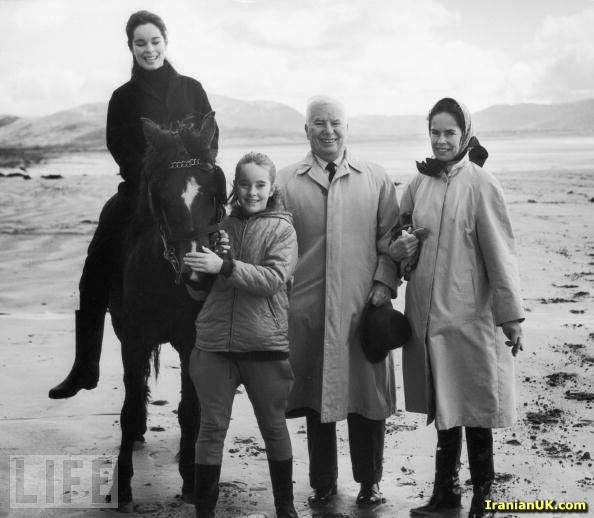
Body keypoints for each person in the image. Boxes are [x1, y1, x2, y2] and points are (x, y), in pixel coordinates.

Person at [49, 10, 217, 399]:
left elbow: (210, 138)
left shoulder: (192, 88)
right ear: (131, 47)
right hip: (142, 191)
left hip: (188, 188)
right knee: (96, 262)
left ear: (165, 42)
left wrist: (194, 172)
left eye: (155, 41)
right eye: (140, 43)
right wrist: (152, 181)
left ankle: (232, 348)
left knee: (227, 236)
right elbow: (119, 146)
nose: (149, 49)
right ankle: (85, 365)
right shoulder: (122, 98)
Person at [393, 97, 524, 518]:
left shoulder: (482, 183)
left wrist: (510, 316)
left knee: (476, 405)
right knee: (444, 403)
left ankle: (484, 497)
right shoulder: (419, 183)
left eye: (450, 132)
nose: (442, 140)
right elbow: (397, 234)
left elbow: (500, 253)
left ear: (465, 133)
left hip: (470, 315)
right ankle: (445, 493)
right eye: (435, 132)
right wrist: (402, 246)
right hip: (427, 315)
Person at [278, 96, 401, 508]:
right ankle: (323, 483)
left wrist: (384, 282)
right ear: (306, 129)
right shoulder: (284, 182)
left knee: (368, 402)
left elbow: (390, 242)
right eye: (318, 123)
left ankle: (370, 482)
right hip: (308, 312)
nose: (327, 130)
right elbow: (271, 243)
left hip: (362, 310)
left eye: (335, 122)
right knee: (318, 400)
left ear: (349, 127)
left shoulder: (376, 178)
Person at [184, 152, 299, 518]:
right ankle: (204, 510)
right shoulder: (219, 228)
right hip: (214, 344)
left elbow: (271, 281)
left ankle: (285, 507)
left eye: (260, 185)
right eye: (245, 184)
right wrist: (194, 276)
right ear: (235, 186)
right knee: (210, 428)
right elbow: (200, 295)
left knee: (273, 427)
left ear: (272, 188)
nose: (252, 192)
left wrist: (224, 265)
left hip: (264, 343)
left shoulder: (283, 230)